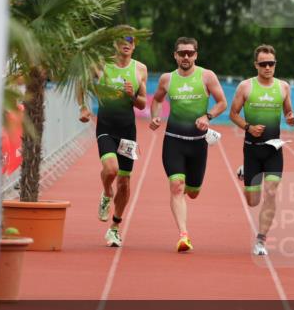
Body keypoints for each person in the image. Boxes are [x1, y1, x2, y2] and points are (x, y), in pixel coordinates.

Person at [148, 37, 227, 253]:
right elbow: (156, 100)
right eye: (181, 53)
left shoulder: (206, 76)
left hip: (198, 144)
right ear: (175, 55)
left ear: (196, 55)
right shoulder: (167, 79)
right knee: (177, 186)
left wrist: (208, 116)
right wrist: (155, 117)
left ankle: (192, 196)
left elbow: (222, 102)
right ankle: (183, 235)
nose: (185, 57)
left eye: (189, 53)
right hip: (173, 141)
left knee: (192, 192)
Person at [78, 29, 147, 248]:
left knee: (125, 181)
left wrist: (132, 96)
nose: (126, 43)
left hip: (128, 131)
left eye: (130, 40)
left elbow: (143, 103)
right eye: (122, 40)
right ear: (115, 44)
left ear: (134, 46)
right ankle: (107, 192)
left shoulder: (140, 69)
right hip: (106, 126)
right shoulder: (101, 64)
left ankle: (115, 228)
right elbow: (82, 84)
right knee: (111, 170)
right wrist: (83, 107)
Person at [229, 45, 294, 257]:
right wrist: (248, 128)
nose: (268, 67)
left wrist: (290, 118)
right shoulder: (245, 87)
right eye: (263, 64)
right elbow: (233, 114)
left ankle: (261, 240)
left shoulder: (283, 87)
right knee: (253, 201)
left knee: (271, 192)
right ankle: (245, 173)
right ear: (256, 65)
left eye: (271, 63)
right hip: (252, 150)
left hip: (274, 149)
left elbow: (288, 112)